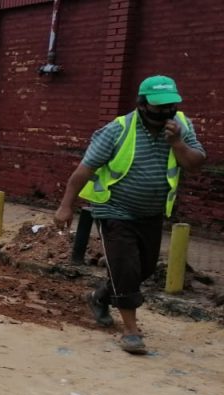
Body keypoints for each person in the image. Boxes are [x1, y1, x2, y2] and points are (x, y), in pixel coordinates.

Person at [54, 75, 206, 355]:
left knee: (144, 269)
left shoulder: (181, 126)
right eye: (159, 106)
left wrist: (177, 143)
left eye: (170, 106)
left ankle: (99, 297)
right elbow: (84, 170)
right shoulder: (117, 129)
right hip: (114, 209)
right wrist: (66, 206)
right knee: (125, 268)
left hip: (152, 213)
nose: (165, 112)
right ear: (142, 104)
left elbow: (195, 164)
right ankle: (131, 331)